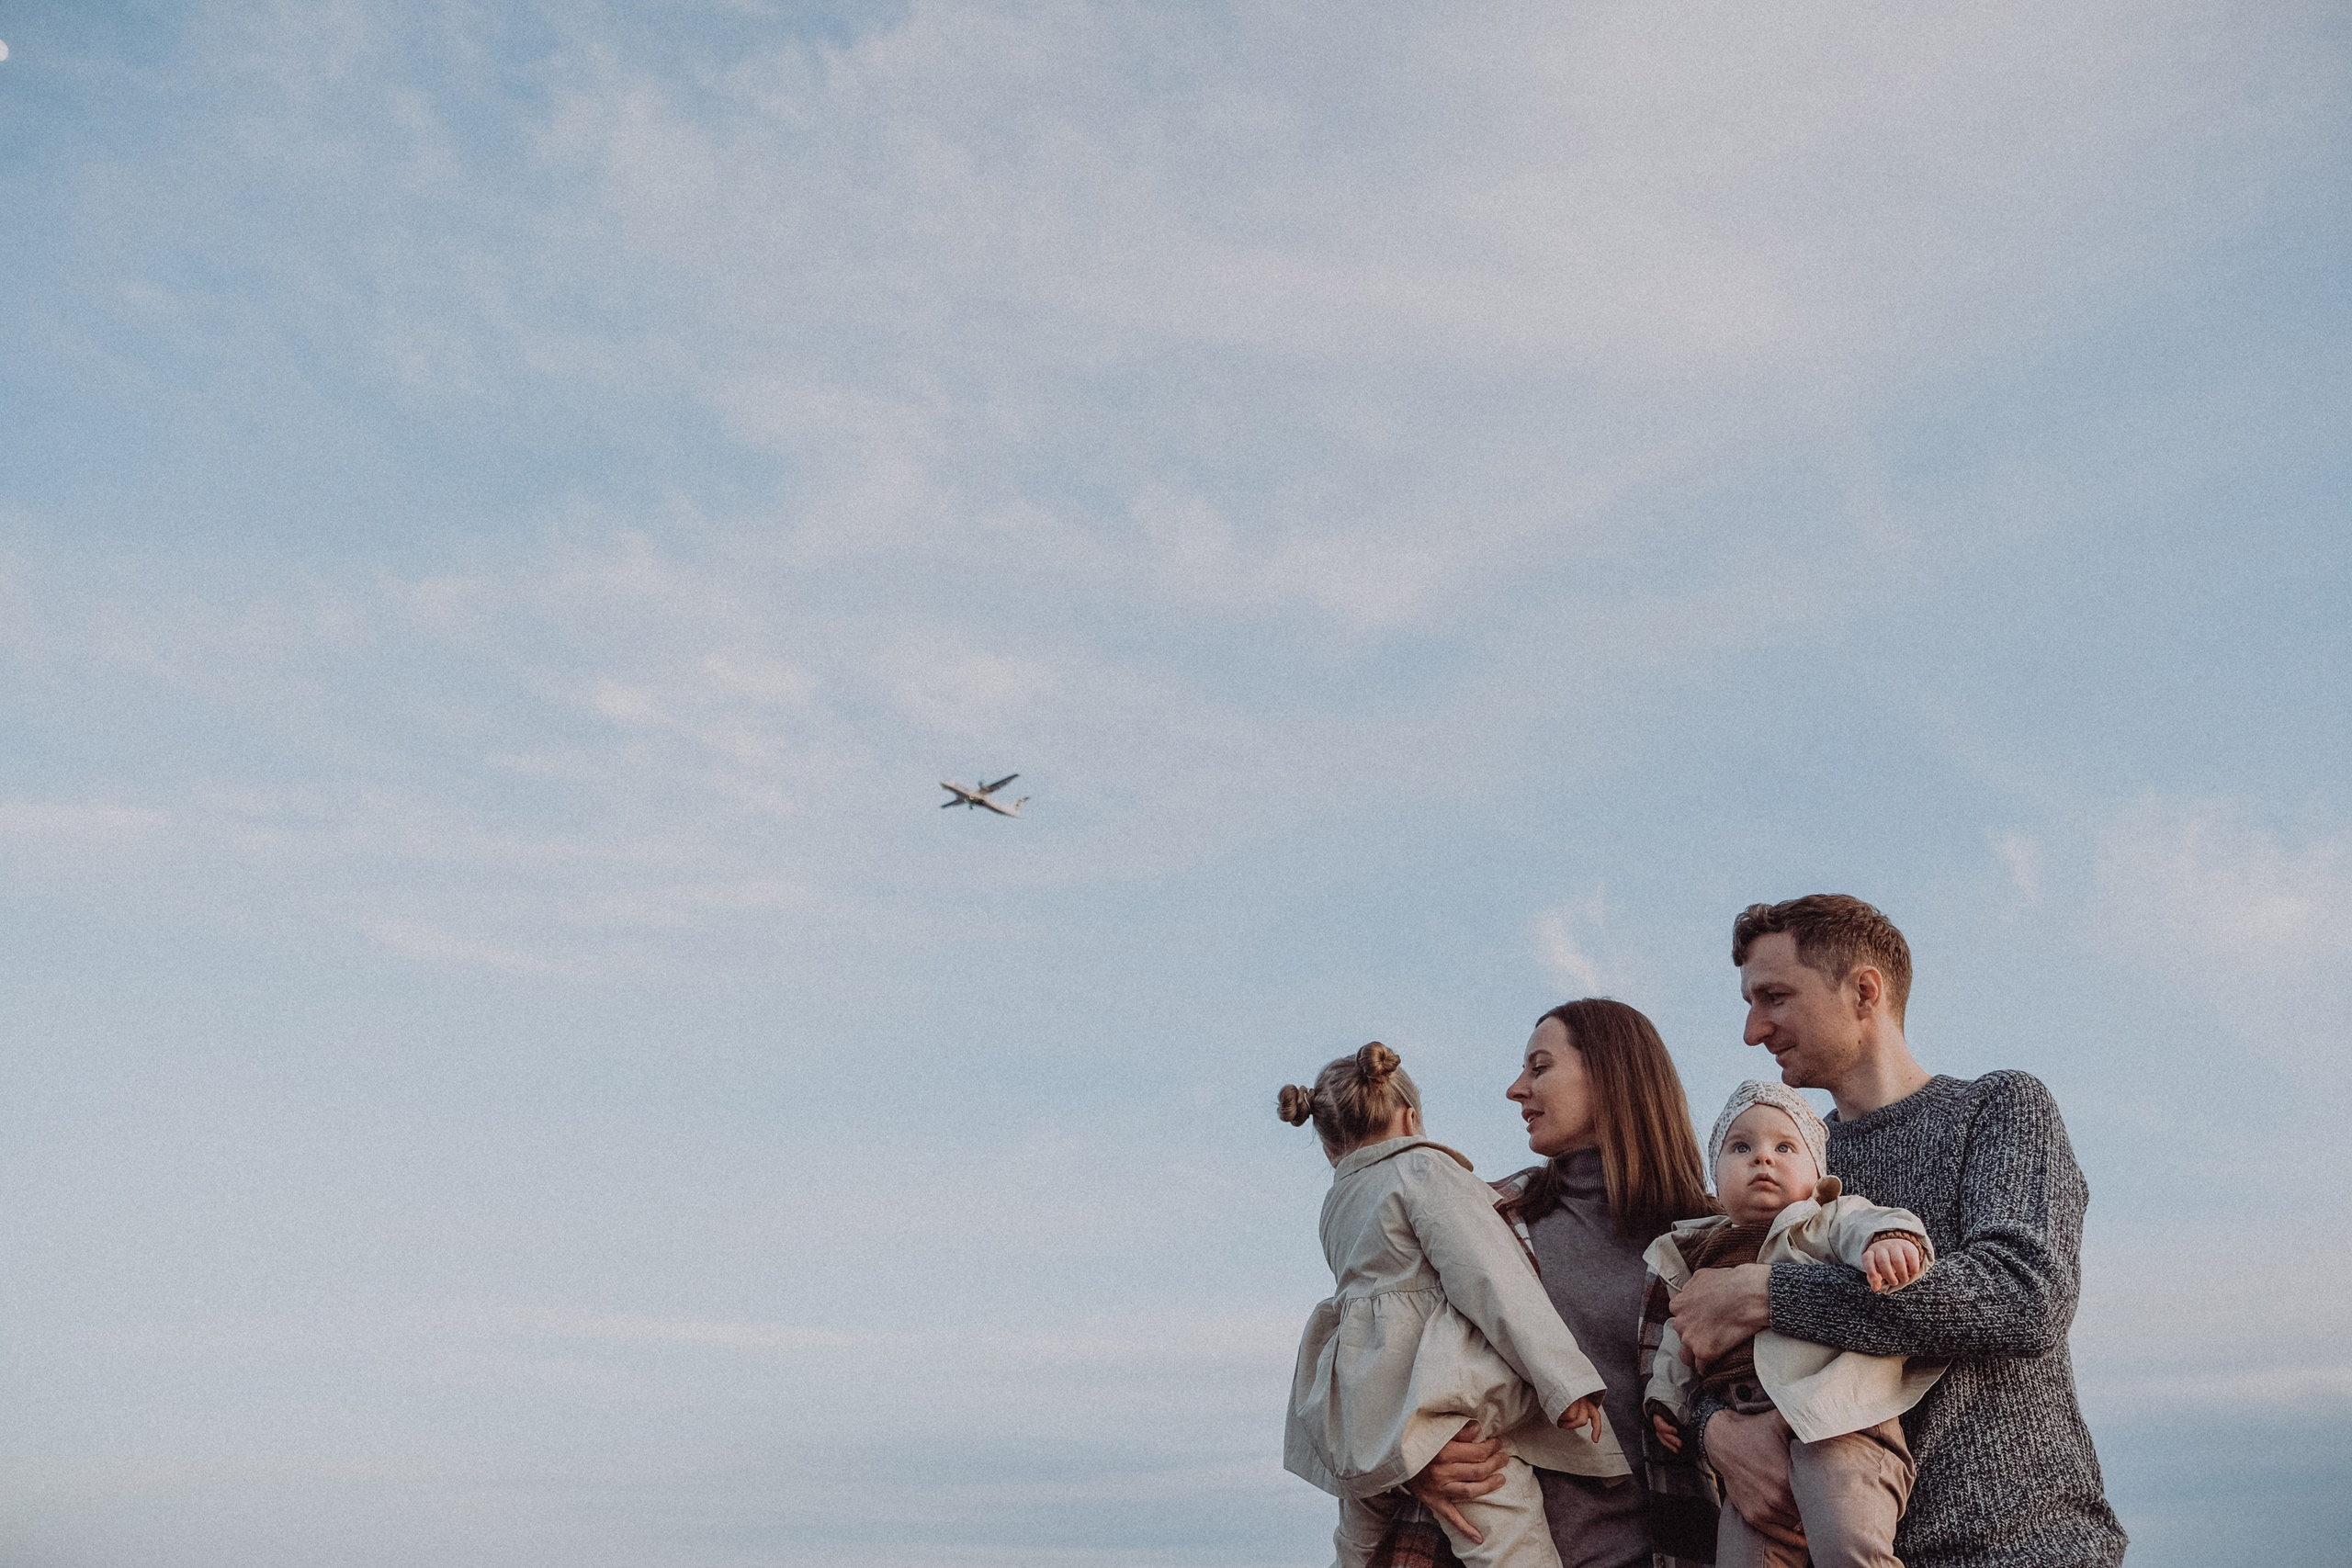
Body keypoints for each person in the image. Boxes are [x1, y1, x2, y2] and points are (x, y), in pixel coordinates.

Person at [1670, 896, 2126, 1568]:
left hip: (2025, 1550)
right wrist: (1714, 1433)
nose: (1752, 1029)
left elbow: (2024, 1294)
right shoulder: (1789, 1170)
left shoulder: (1998, 1107)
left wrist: (1773, 1294)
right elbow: (1706, 1337)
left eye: (1774, 996)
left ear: (1863, 990)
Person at [1389, 999, 1721, 1568]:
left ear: (1612, 1075)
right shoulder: (1479, 1220)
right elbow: (1375, 1355)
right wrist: (1408, 1462)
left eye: (1539, 1068)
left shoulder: (1712, 1240)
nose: (1517, 1089)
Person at [1279, 1042, 1630, 1568]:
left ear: (1331, 1148)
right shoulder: (1425, 1170)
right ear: (1412, 1118)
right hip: (1439, 1410)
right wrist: (1564, 1379)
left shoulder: (1337, 1203)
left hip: (1364, 1414)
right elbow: (1493, 1282)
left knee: (1355, 1550)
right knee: (1509, 1545)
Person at [1645, 1080, 1940, 1568]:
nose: (1764, 1159)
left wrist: (1889, 1239)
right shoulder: (1699, 1253)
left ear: (1818, 1176)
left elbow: (1867, 1222)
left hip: (1838, 1423)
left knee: (1848, 1546)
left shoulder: (1822, 1221)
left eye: (1785, 1147)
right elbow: (1680, 1336)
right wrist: (1667, 1398)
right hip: (1746, 1429)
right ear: (1715, 1180)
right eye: (1741, 1147)